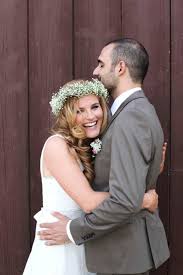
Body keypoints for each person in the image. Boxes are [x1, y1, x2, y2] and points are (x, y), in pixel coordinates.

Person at [39, 38, 170, 275]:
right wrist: (143, 196)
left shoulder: (130, 118)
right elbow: (115, 180)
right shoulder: (131, 114)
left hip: (116, 250)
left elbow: (122, 198)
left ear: (120, 68)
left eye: (101, 64)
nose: (95, 70)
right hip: (82, 244)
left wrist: (141, 183)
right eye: (79, 110)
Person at [23, 79, 158, 275]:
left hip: (84, 238)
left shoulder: (90, 146)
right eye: (79, 111)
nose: (90, 116)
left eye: (95, 107)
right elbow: (88, 201)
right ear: (68, 115)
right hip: (60, 244)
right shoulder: (57, 146)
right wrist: (142, 200)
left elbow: (118, 178)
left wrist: (154, 165)